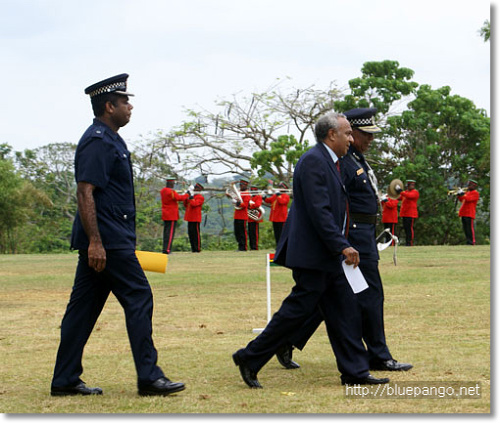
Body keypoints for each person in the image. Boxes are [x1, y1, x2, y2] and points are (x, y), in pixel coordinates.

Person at [232, 111, 390, 388]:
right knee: (296, 311)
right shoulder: (314, 161)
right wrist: (343, 246)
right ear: (332, 135)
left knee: (345, 310)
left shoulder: (335, 162)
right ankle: (250, 356)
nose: (351, 138)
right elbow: (320, 212)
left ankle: (355, 372)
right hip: (314, 254)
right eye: (347, 134)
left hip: (328, 255)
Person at [51, 74, 185, 397]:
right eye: (125, 101)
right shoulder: (98, 140)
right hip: (107, 241)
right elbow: (86, 192)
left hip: (108, 238)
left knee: (82, 309)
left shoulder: (110, 138)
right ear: (109, 106)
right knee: (139, 297)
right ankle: (149, 377)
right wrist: (96, 242)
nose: (130, 106)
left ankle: (65, 379)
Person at [278, 108, 412, 373]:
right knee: (369, 295)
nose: (368, 140)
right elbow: (333, 204)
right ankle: (378, 355)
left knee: (331, 297)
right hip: (352, 237)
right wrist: (341, 242)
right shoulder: (342, 162)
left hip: (362, 234)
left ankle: (286, 340)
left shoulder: (356, 160)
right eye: (362, 134)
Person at [160, 178, 189, 254]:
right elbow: (179, 198)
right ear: (170, 183)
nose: (173, 185)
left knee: (166, 232)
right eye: (173, 183)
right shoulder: (171, 192)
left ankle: (165, 248)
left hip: (165, 213)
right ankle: (167, 249)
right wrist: (187, 194)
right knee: (170, 233)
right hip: (171, 214)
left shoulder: (163, 191)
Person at [263, 182, 290, 247]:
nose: (279, 188)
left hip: (281, 218)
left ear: (284, 188)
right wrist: (263, 197)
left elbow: (281, 202)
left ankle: (282, 246)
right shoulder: (276, 195)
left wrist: (278, 195)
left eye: (281, 187)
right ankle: (278, 246)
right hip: (275, 217)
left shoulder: (286, 196)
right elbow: (268, 200)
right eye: (279, 187)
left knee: (281, 233)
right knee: (276, 233)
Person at [183, 183, 205, 252]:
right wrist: (186, 196)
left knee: (196, 234)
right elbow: (185, 204)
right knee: (191, 233)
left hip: (195, 218)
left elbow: (194, 204)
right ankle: (193, 248)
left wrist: (191, 197)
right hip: (190, 217)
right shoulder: (192, 196)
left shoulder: (200, 197)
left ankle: (197, 248)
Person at [457, 179, 480, 245]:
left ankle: (472, 241)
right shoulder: (467, 192)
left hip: (469, 213)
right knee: (465, 228)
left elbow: (468, 199)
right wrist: (459, 195)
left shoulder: (475, 193)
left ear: (474, 186)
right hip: (464, 212)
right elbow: (462, 200)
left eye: (470, 185)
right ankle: (468, 241)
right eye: (469, 185)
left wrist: (462, 193)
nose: (468, 186)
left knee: (470, 228)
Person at [231, 179, 251, 251]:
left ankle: (243, 247)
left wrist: (238, 203)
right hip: (237, 215)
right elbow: (235, 199)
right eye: (240, 185)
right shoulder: (239, 193)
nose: (240, 186)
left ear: (245, 185)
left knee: (242, 232)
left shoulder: (247, 194)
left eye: (242, 185)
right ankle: (240, 246)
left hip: (243, 216)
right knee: (237, 232)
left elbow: (245, 205)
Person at [399, 180, 420, 246]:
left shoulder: (415, 192)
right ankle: (407, 242)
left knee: (409, 229)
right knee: (406, 229)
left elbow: (409, 196)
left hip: (410, 213)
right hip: (405, 213)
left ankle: (409, 242)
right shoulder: (405, 192)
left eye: (412, 185)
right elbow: (399, 197)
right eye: (410, 185)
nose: (412, 186)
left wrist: (400, 191)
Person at [247, 185, 263, 250]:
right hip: (250, 217)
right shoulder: (249, 197)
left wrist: (250, 205)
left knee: (255, 233)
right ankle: (251, 246)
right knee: (250, 233)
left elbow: (257, 204)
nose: (252, 191)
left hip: (255, 217)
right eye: (252, 190)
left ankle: (255, 247)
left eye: (254, 190)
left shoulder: (258, 197)